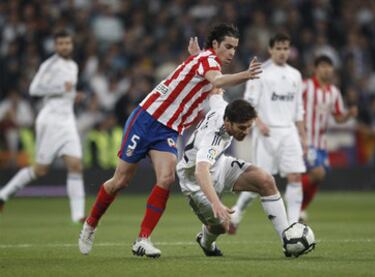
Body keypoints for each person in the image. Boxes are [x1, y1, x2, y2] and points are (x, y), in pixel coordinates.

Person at [78, 23, 262, 257]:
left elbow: (211, 83)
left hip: (169, 130)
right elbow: (217, 81)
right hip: (147, 119)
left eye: (235, 48)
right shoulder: (209, 61)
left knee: (166, 178)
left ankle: (142, 239)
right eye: (228, 46)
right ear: (215, 45)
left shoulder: (204, 61)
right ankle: (91, 224)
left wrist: (196, 58)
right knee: (120, 181)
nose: (232, 53)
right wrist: (246, 74)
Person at [177, 92, 294, 257]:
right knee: (222, 227)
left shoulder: (223, 108)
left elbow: (215, 90)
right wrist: (216, 203)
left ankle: (287, 240)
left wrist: (218, 71)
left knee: (265, 180)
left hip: (219, 164)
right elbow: (200, 171)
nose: (245, 132)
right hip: (195, 183)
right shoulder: (213, 139)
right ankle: (206, 242)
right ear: (227, 122)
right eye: (241, 128)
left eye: (248, 127)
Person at [0, 30, 86, 223]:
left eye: (67, 43)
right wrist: (60, 90)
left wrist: (73, 95)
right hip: (51, 120)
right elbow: (34, 89)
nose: (64, 46)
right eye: (61, 43)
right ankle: (3, 194)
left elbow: (67, 92)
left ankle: (78, 216)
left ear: (71, 45)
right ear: (55, 46)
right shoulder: (49, 65)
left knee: (75, 165)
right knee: (40, 170)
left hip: (68, 120)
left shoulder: (73, 65)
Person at [228, 33, 307, 233]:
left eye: (285, 48)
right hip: (267, 133)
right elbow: (250, 102)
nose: (282, 52)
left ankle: (293, 225)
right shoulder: (261, 72)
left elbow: (298, 109)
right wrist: (259, 123)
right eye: (278, 48)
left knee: (295, 176)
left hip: (289, 132)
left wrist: (303, 136)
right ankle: (236, 214)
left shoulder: (295, 75)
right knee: (260, 180)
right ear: (270, 50)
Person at [300, 55, 358, 219]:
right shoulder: (305, 86)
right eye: (323, 66)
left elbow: (338, 118)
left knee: (319, 177)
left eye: (329, 66)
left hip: (321, 143)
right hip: (304, 139)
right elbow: (293, 105)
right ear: (315, 68)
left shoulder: (334, 92)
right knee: (317, 172)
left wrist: (348, 115)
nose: (326, 69)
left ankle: (300, 208)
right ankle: (292, 196)